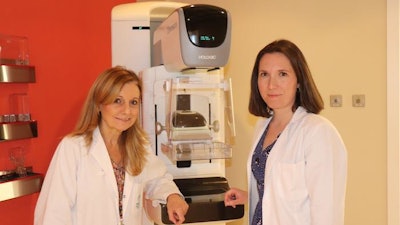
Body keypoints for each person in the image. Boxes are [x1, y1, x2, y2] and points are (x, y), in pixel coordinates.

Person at [34, 66, 189, 225]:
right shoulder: (73, 148)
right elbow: (54, 214)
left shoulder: (139, 145)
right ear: (99, 104)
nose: (127, 111)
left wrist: (172, 196)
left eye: (133, 102)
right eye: (117, 101)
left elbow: (157, 179)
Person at [224, 39, 347, 225]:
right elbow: (283, 190)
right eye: (264, 74)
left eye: (282, 74)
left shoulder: (318, 132)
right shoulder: (262, 126)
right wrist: (249, 196)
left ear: (298, 81)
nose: (271, 85)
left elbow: (326, 210)